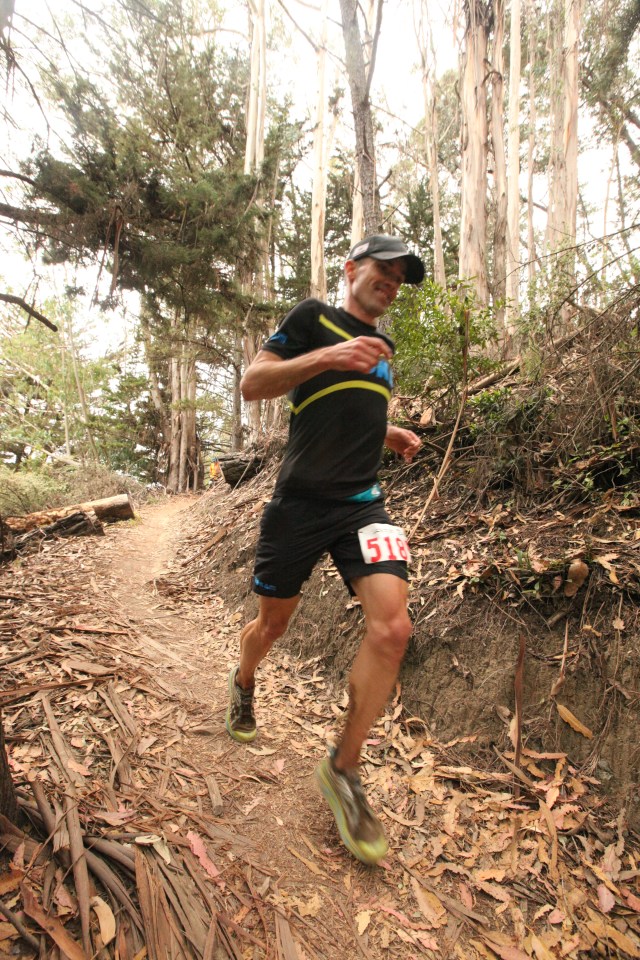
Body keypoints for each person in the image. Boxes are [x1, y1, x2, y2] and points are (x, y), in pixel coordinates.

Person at [226, 234, 424, 865]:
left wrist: (388, 432)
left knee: (393, 628)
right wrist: (326, 357)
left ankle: (342, 768)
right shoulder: (312, 318)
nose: (390, 283)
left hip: (363, 504)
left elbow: (351, 410)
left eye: (399, 278)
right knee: (273, 623)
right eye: (382, 270)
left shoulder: (386, 347)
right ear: (352, 269)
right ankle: (244, 678)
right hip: (300, 504)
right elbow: (254, 383)